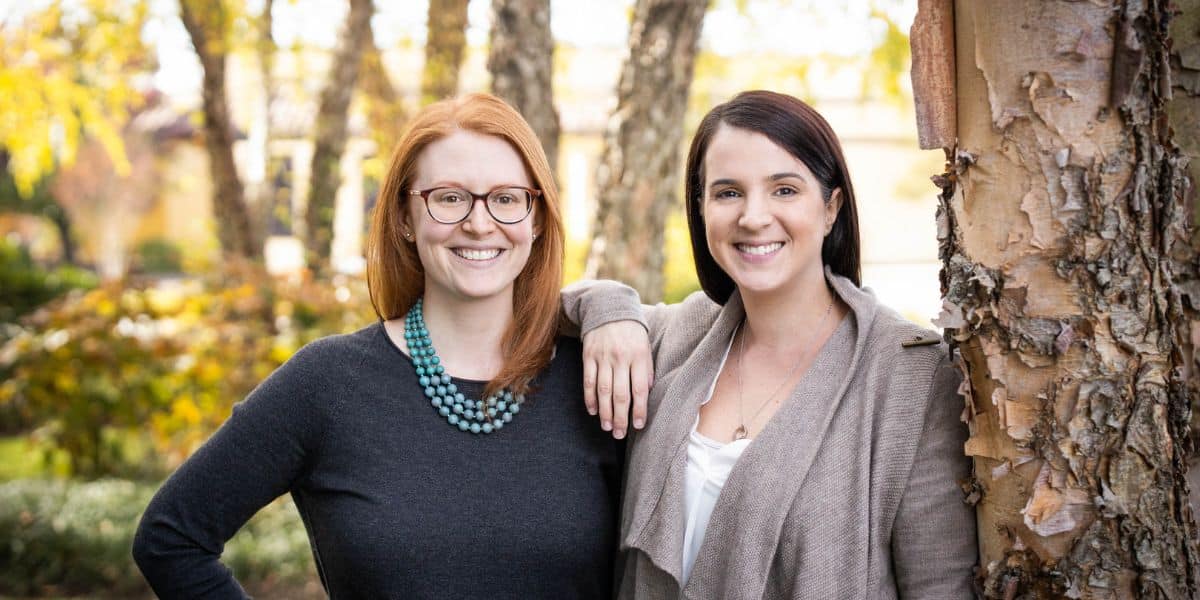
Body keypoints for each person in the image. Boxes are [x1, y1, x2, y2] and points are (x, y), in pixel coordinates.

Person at [133, 93, 637, 599]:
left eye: (506, 198)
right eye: (448, 197)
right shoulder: (328, 384)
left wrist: (615, 308)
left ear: (537, 219)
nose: (480, 223)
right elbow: (171, 537)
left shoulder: (603, 380)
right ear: (403, 217)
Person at [567, 90, 977, 598]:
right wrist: (609, 311)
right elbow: (551, 304)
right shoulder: (677, 337)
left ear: (831, 208)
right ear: (701, 209)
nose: (754, 217)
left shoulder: (913, 377)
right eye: (728, 193)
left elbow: (941, 585)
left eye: (784, 190)